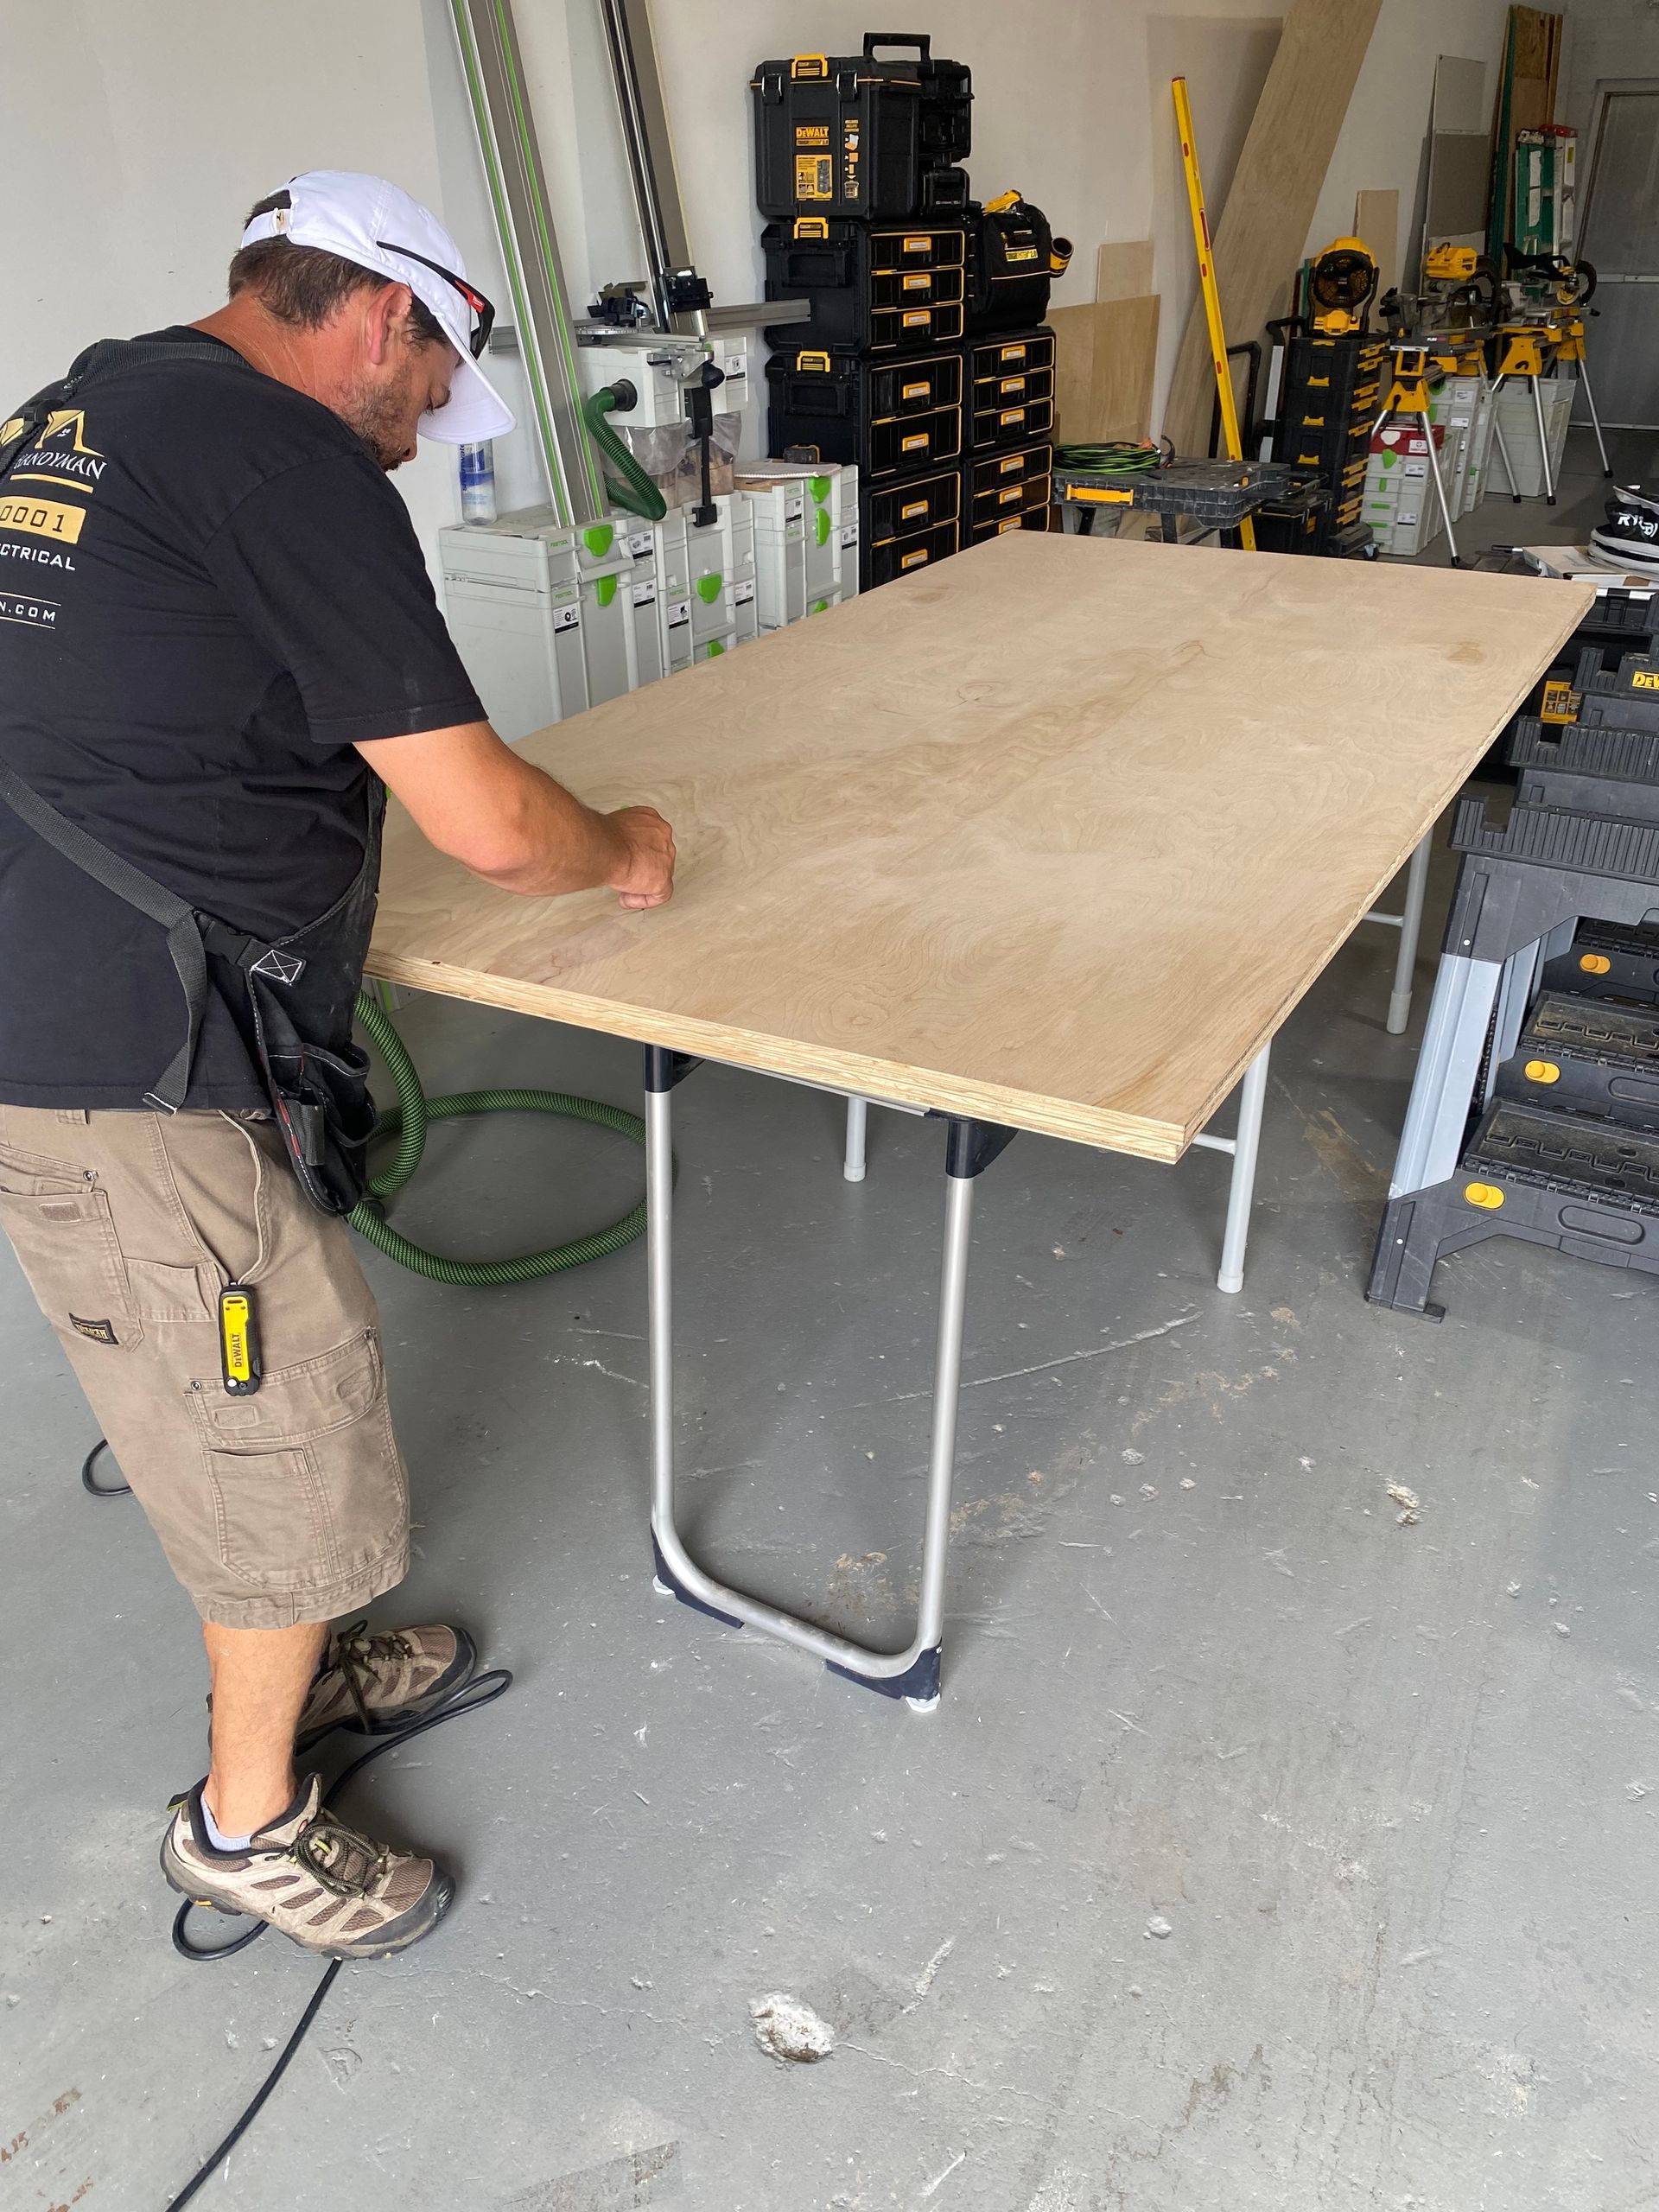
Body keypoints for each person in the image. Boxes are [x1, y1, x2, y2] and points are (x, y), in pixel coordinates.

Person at [0, 171, 675, 1958]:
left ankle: (292, 1664)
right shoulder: (281, 460)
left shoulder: (89, 407)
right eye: (440, 384)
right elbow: (485, 819)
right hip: (136, 1062)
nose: (428, 427)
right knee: (264, 1428)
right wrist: (625, 845)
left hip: (73, 1002)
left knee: (244, 1405)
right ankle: (249, 1817)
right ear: (384, 315)